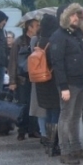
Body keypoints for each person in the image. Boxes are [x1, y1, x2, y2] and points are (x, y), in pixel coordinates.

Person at [49, 3, 83, 165]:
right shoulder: (58, 36)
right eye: (72, 15)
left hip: (80, 82)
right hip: (69, 84)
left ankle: (76, 148)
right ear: (64, 17)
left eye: (78, 15)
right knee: (66, 116)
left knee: (76, 116)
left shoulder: (77, 35)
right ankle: (65, 152)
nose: (75, 18)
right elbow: (57, 64)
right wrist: (63, 87)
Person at [8, 19, 41, 141]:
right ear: (29, 27)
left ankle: (33, 130)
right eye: (36, 25)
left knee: (34, 105)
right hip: (22, 78)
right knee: (23, 105)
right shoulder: (19, 41)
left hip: (35, 77)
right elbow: (13, 62)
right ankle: (21, 130)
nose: (38, 27)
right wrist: (12, 81)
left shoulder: (38, 40)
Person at [34, 14, 60, 156]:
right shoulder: (52, 42)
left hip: (41, 82)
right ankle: (54, 144)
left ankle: (49, 143)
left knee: (49, 113)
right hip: (52, 81)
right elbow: (55, 61)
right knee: (55, 112)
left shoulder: (39, 42)